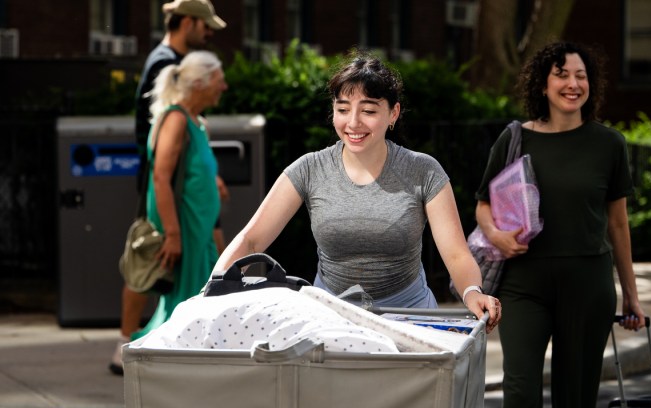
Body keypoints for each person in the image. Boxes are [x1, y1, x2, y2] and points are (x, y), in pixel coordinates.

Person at [478, 41, 646, 408]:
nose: (573, 84)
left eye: (581, 76)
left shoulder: (608, 144)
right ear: (542, 84)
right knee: (522, 394)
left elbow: (618, 225)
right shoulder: (515, 138)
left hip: (588, 287)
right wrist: (495, 235)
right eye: (561, 75)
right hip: (524, 286)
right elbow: (483, 205)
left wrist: (631, 294)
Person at [212, 51, 501, 331]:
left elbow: (456, 255)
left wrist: (472, 292)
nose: (353, 123)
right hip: (331, 317)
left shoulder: (423, 171)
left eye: (368, 110)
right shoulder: (310, 168)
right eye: (342, 109)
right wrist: (213, 289)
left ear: (393, 113)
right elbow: (251, 240)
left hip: (409, 317)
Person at [109, 0, 227, 374]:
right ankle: (132, 347)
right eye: (204, 26)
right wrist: (172, 230)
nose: (208, 33)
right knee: (157, 273)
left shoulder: (191, 115)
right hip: (174, 207)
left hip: (189, 211)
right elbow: (163, 169)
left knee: (192, 288)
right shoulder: (166, 67)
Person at [127, 50, 228, 343]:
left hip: (200, 230)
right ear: (199, 83)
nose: (224, 87)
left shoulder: (197, 123)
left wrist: (214, 181)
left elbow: (193, 168)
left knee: (201, 301)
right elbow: (160, 177)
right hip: (185, 230)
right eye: (219, 80)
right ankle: (159, 356)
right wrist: (172, 234)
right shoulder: (176, 118)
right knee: (186, 306)